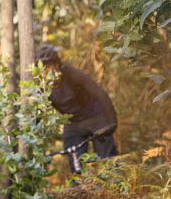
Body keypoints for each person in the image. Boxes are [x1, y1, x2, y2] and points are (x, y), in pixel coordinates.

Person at [35, 44, 119, 173]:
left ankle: (114, 182)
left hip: (95, 116)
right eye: (42, 68)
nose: (45, 71)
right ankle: (82, 183)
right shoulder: (42, 87)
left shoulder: (71, 74)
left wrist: (112, 121)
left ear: (57, 64)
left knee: (107, 160)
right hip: (73, 123)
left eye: (48, 66)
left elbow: (99, 93)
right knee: (76, 163)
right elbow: (38, 114)